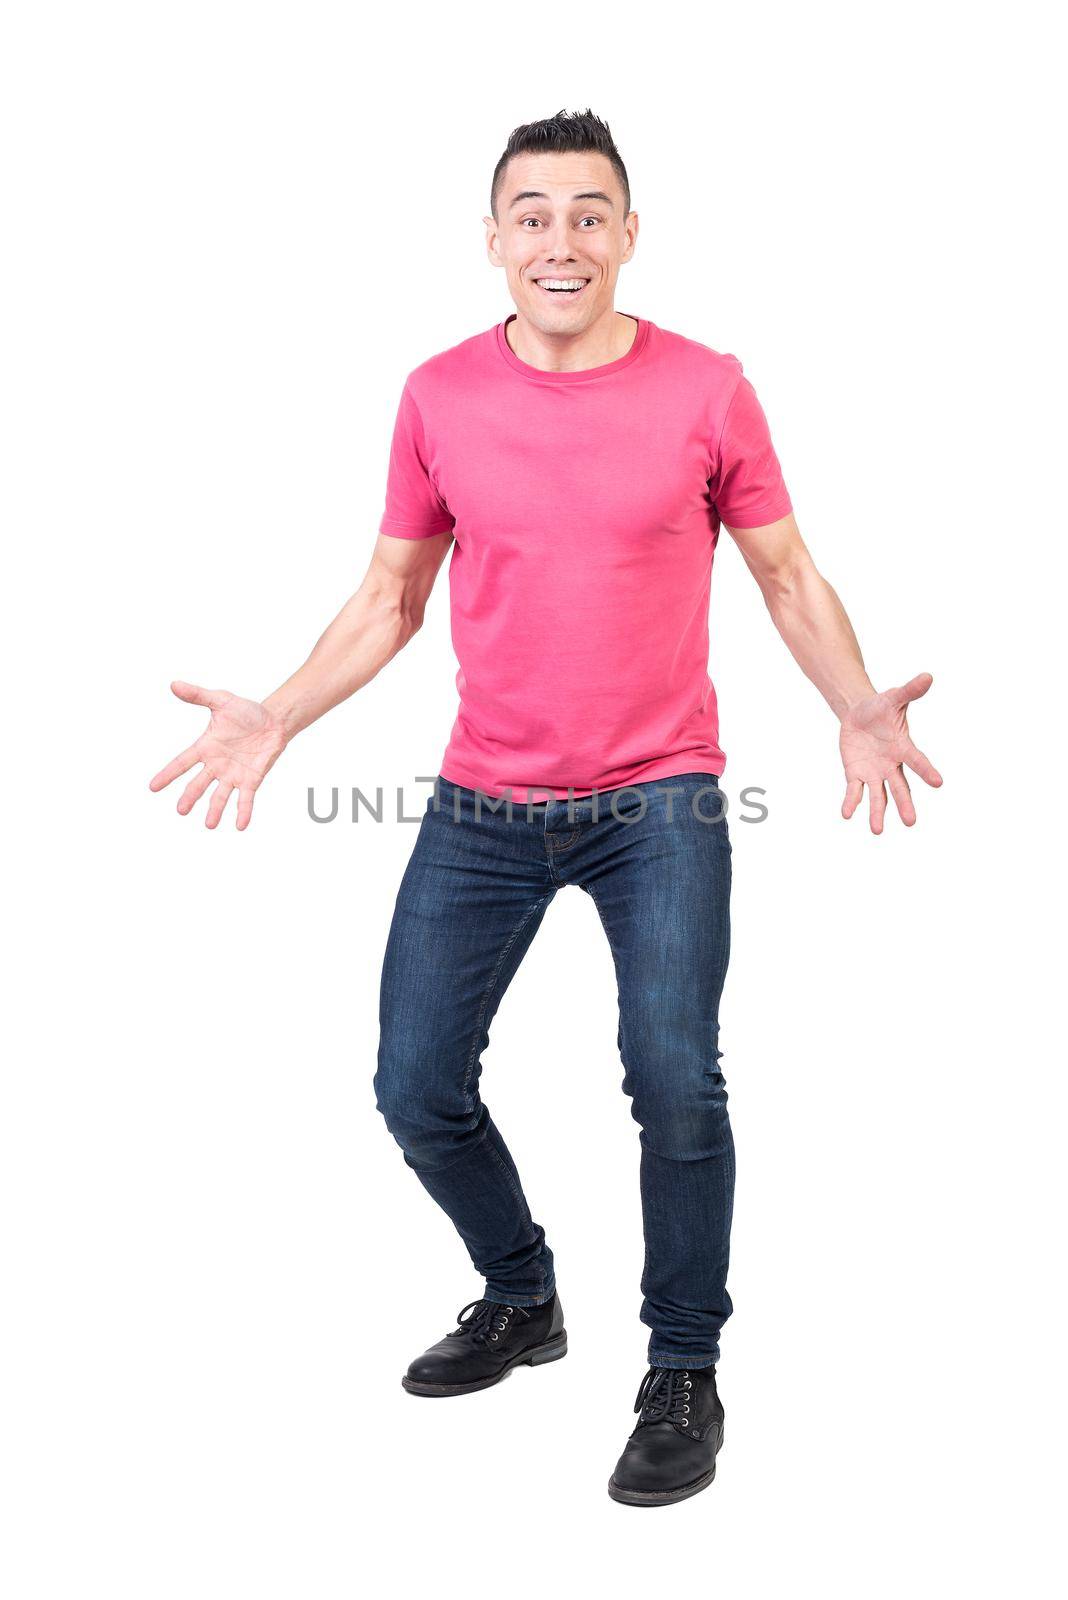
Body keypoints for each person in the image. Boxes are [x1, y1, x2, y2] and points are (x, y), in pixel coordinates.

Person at [149, 108, 942, 1507]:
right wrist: (277, 711)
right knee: (412, 1085)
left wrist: (855, 702)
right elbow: (392, 594)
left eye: (589, 214)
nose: (560, 239)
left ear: (630, 237)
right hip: (485, 800)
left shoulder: (708, 388)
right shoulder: (438, 395)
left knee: (673, 1071)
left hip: (663, 798)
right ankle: (524, 1295)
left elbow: (787, 576)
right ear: (495, 240)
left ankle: (683, 1366)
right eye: (533, 214)